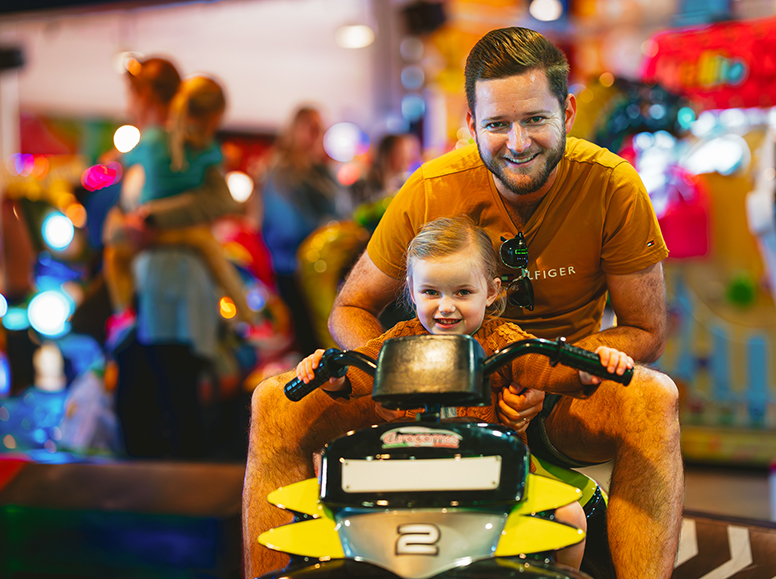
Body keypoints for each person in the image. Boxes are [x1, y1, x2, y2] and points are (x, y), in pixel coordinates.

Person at [244, 27, 683, 578]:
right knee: (275, 402)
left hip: (557, 394)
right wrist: (396, 377)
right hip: (435, 387)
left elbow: (646, 331)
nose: (518, 142)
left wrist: (544, 378)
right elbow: (349, 309)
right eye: (497, 124)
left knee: (652, 397)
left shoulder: (613, 186)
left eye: (535, 120)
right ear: (471, 123)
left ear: (567, 113)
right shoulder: (431, 188)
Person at [109, 57, 244, 459]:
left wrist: (153, 219)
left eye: (132, 96)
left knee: (174, 397)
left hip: (175, 284)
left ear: (145, 94)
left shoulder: (180, 144)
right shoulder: (158, 145)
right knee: (151, 399)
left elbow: (217, 200)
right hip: (152, 282)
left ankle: (182, 498)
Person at [103, 73, 254, 351]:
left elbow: (121, 169)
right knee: (218, 263)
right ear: (216, 116)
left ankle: (121, 310)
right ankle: (247, 317)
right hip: (184, 255)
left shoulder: (150, 142)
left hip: (153, 263)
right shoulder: (207, 150)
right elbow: (225, 201)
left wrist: (147, 214)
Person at [258, 106, 350, 354]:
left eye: (320, 128)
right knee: (311, 345)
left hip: (326, 268)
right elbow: (289, 225)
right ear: (295, 130)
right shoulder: (281, 173)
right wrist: (328, 227)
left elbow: (346, 212)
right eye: (310, 128)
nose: (316, 134)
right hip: (294, 268)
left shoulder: (322, 171)